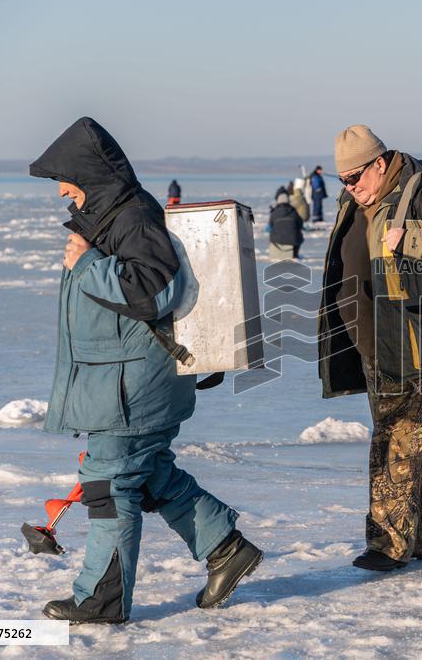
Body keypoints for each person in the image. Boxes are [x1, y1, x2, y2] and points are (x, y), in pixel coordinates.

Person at [29, 117, 262, 624]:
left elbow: (154, 292)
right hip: (124, 380)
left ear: (89, 175)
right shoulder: (113, 217)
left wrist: (88, 264)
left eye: (65, 179)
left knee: (110, 486)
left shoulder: (133, 219)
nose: (63, 191)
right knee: (146, 474)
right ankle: (226, 549)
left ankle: (101, 601)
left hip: (133, 385)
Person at [318, 125, 422, 571]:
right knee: (413, 441)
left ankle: (388, 545)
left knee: (396, 438)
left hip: (417, 338)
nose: (351, 188)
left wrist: (409, 239)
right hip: (375, 340)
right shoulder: (357, 200)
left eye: (355, 177)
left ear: (380, 163)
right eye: (342, 181)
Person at [268, 192, 304, 259]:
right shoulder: (294, 211)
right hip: (293, 240)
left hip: (277, 240)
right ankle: (295, 254)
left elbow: (270, 226)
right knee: (298, 234)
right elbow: (300, 224)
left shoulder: (274, 213)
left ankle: (276, 252)